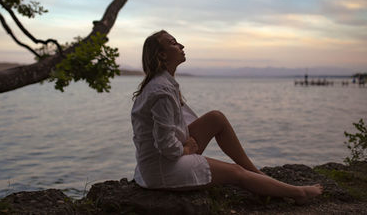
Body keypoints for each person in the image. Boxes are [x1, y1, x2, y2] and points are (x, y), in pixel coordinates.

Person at [131, 30, 322, 204]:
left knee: (216, 118)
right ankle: (298, 193)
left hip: (163, 158)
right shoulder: (161, 91)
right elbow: (166, 147)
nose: (181, 46)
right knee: (235, 173)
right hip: (162, 169)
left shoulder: (165, 83)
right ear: (162, 55)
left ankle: (259, 177)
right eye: (173, 43)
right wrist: (188, 148)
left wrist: (188, 142)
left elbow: (179, 126)